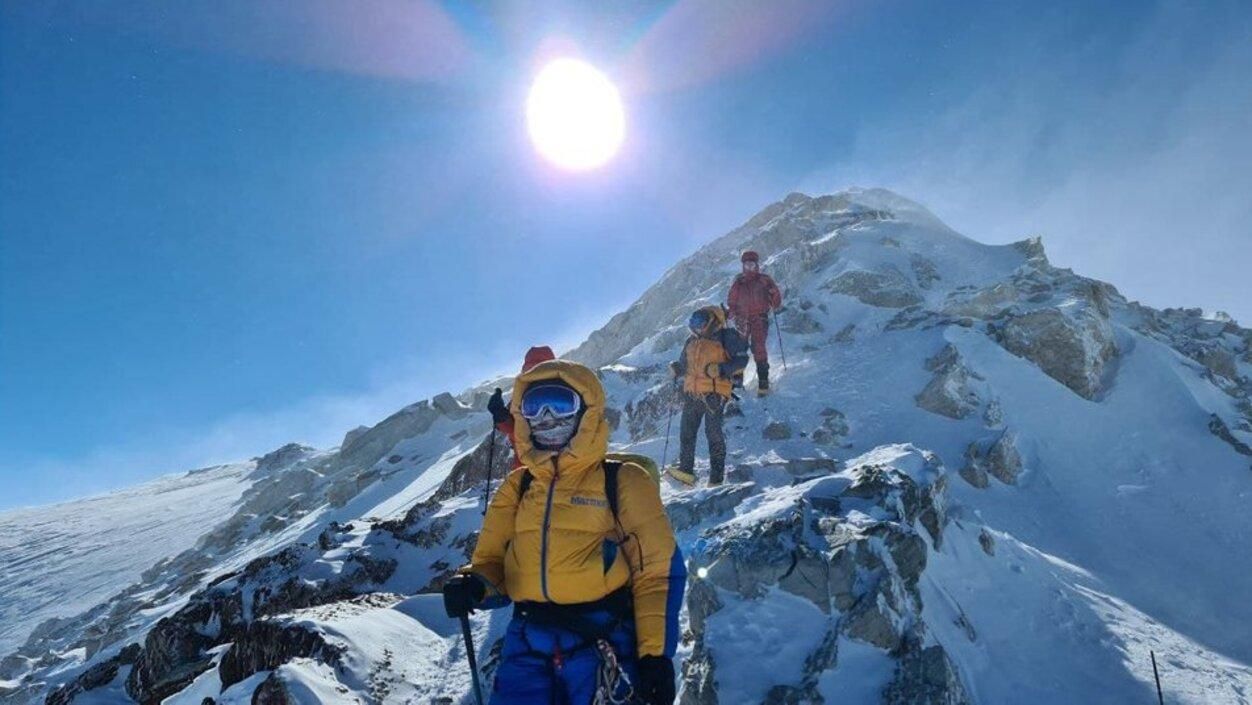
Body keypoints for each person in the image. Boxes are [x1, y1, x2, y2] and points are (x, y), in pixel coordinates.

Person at [443, 359, 686, 705]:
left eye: (560, 404)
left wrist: (655, 657)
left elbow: (658, 575)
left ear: (586, 410)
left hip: (603, 642)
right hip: (526, 643)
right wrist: (473, 586)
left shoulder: (624, 482)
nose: (546, 417)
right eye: (533, 407)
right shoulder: (518, 485)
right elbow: (492, 563)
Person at [666, 306, 749, 487]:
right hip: (693, 393)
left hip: (715, 393)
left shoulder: (727, 336)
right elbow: (684, 364)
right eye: (694, 323)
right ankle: (686, 471)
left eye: (700, 323)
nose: (697, 327)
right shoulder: (691, 341)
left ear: (711, 320)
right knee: (686, 433)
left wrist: (720, 369)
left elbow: (742, 360)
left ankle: (716, 478)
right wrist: (677, 369)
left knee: (713, 434)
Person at [487, 345, 557, 470]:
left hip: (540, 467)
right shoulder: (520, 396)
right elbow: (514, 427)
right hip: (528, 468)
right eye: (531, 371)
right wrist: (500, 415)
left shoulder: (562, 391)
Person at [727, 250, 782, 395]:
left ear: (757, 265)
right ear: (743, 266)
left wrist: (773, 293)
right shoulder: (739, 282)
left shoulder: (764, 280)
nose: (749, 267)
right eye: (746, 265)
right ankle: (737, 382)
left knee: (759, 347)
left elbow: (776, 302)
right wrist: (732, 313)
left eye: (752, 264)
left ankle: (763, 382)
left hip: (759, 318)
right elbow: (732, 301)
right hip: (742, 320)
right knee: (739, 348)